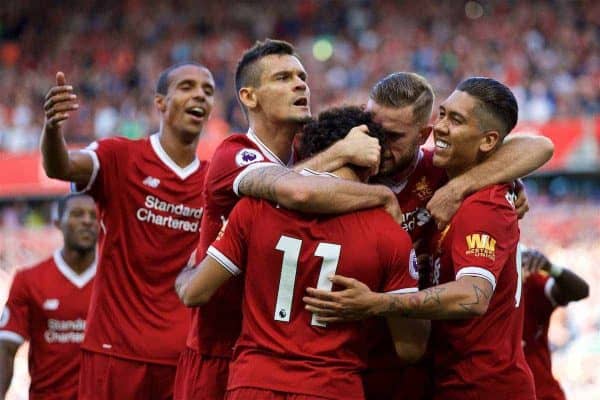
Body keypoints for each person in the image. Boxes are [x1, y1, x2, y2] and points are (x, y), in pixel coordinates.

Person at [174, 39, 404, 400]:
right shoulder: (233, 154)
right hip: (218, 351)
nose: (300, 84)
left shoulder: (306, 151)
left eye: (302, 76)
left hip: (278, 359)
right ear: (250, 97)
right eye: (283, 77)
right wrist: (378, 191)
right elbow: (295, 190)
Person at [305, 77, 541, 400]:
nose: (378, 145)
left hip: (436, 367)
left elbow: (539, 147)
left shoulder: (443, 173)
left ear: (422, 136)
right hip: (359, 364)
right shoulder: (347, 170)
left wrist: (463, 186)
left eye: (393, 137)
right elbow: (286, 182)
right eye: (372, 130)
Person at [41, 63, 214, 399]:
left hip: (183, 358)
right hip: (114, 353)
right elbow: (59, 166)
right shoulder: (119, 156)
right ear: (160, 102)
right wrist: (51, 129)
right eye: (187, 86)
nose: (199, 95)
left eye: (207, 91)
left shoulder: (214, 180)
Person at [0, 194, 98, 400]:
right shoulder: (29, 280)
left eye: (93, 216)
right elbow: (6, 349)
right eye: (77, 214)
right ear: (57, 223)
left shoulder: (114, 281)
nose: (87, 221)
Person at [521, 246, 589, 400]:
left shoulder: (530, 283)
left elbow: (580, 291)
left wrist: (551, 268)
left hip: (542, 392)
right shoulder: (471, 292)